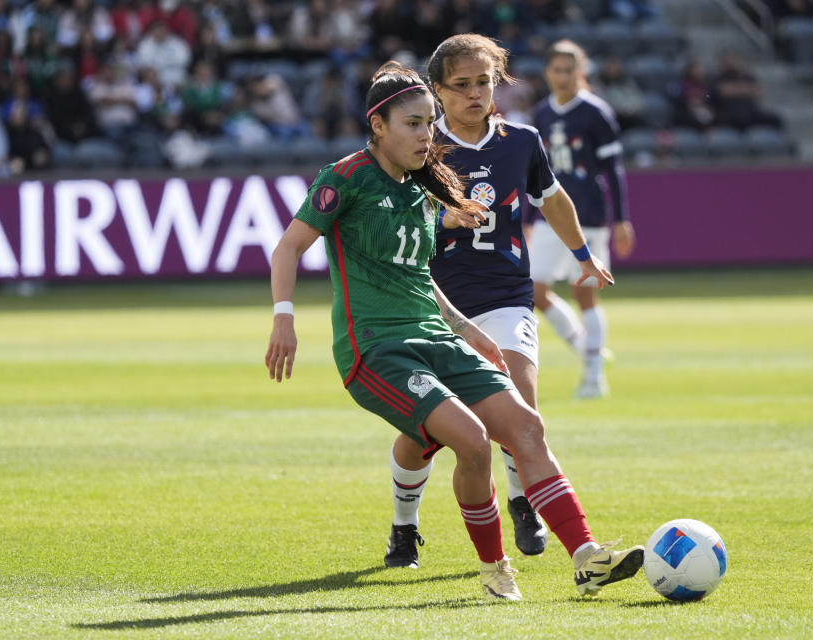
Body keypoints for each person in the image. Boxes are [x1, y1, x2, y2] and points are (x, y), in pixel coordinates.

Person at [265, 61, 643, 600]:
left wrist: (466, 328)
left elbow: (418, 274)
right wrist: (284, 318)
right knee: (470, 439)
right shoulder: (344, 178)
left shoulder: (423, 187)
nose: (427, 135)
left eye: (428, 123)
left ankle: (588, 557)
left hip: (436, 336)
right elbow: (288, 247)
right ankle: (495, 570)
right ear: (379, 125)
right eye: (414, 124)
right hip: (376, 349)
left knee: (526, 425)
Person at [378, 34, 643, 595]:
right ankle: (404, 525)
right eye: (462, 85)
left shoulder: (521, 141)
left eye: (485, 83)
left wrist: (583, 255)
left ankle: (526, 503)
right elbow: (392, 227)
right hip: (433, 303)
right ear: (437, 92)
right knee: (422, 436)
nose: (476, 94)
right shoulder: (417, 146)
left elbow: (554, 200)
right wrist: (445, 223)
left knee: (521, 405)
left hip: (504, 294)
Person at [530, 39, 636, 399]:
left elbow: (613, 169)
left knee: (584, 292)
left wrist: (621, 219)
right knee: (533, 289)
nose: (562, 76)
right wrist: (530, 216)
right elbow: (535, 173)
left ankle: (594, 378)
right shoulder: (542, 113)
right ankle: (587, 350)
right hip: (548, 215)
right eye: (556, 70)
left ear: (581, 72)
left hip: (587, 213)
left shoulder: (595, 112)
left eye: (569, 70)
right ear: (547, 73)